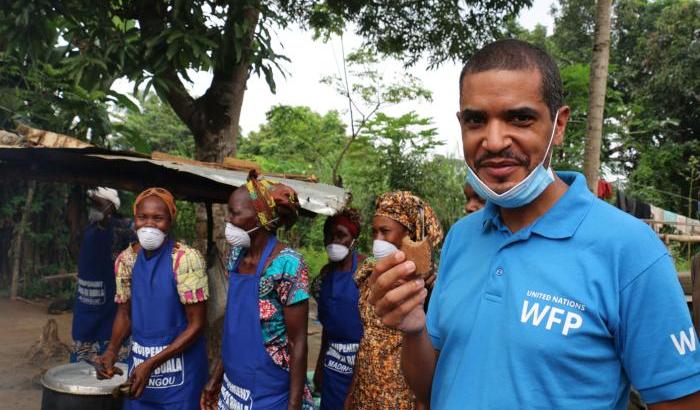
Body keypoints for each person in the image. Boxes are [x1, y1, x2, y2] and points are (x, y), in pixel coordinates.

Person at [368, 39, 700, 409]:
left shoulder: (630, 249)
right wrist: (413, 327)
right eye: (477, 120)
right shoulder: (462, 236)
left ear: (558, 125)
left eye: (519, 118)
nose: (493, 142)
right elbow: (433, 390)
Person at [201, 171, 314, 410]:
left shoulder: (288, 265)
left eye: (235, 213)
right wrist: (216, 377)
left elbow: (297, 342)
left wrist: (293, 405)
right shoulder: (235, 256)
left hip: (269, 393)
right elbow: (235, 326)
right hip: (232, 388)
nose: (227, 220)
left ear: (261, 218)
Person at [95, 187, 209, 410]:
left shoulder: (185, 259)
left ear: (170, 221)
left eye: (158, 218)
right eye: (142, 217)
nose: (149, 225)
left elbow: (197, 324)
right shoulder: (126, 260)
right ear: (135, 219)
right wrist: (111, 351)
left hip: (181, 381)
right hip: (140, 374)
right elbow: (125, 314)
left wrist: (153, 363)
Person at [346, 191, 442, 410]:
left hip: (400, 398)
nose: (377, 240)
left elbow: (430, 354)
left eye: (385, 231)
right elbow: (366, 339)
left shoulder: (426, 285)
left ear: (409, 234)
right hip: (365, 392)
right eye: (374, 232)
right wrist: (351, 395)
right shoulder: (369, 275)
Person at [311, 208, 366, 410]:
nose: (334, 241)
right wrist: (318, 367)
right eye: (329, 236)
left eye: (341, 235)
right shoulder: (323, 278)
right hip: (332, 368)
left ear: (353, 238)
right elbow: (327, 326)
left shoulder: (366, 272)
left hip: (362, 367)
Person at [71, 187, 133, 363]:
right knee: (80, 373)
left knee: (113, 370)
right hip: (85, 311)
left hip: (111, 312)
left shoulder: (123, 229)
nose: (94, 208)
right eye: (92, 204)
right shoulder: (87, 229)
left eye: (99, 204)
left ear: (111, 207)